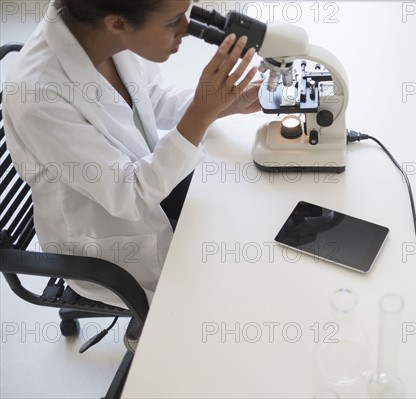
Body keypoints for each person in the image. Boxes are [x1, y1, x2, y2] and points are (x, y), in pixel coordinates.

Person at [3, 0, 260, 308]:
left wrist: (221, 103)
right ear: (118, 23)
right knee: (230, 302)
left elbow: (153, 100)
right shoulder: (37, 95)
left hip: (148, 185)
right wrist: (201, 115)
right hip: (110, 248)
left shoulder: (103, 35)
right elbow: (130, 195)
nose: (187, 29)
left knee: (251, 212)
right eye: (173, 21)